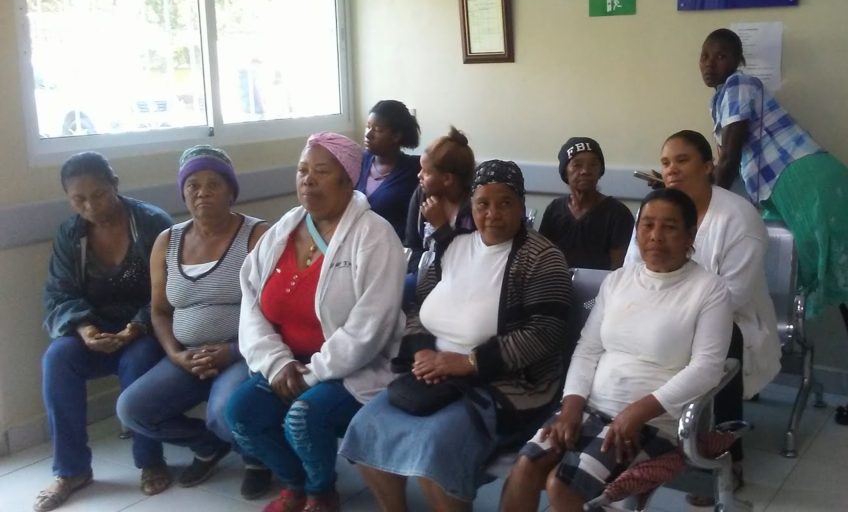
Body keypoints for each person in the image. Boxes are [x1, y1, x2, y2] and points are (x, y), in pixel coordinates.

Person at [340, 160, 573, 512]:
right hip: (436, 374)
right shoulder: (453, 247)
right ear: (471, 205)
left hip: (508, 383)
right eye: (483, 203)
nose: (492, 213)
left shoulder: (543, 259)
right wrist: (421, 351)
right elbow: (419, 307)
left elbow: (544, 334)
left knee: (433, 445)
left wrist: (469, 363)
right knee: (365, 426)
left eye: (505, 203)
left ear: (521, 206)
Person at [501, 188, 733, 512]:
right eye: (647, 225)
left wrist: (636, 412)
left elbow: (707, 368)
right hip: (590, 408)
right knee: (526, 467)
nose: (655, 236)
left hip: (654, 423)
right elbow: (588, 348)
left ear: (690, 235)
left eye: (669, 227)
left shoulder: (709, 290)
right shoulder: (618, 281)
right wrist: (571, 408)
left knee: (562, 485)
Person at [701, 27, 848, 425]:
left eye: (722, 55)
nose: (711, 64)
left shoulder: (740, 85)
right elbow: (724, 163)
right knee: (776, 280)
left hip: (815, 187)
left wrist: (703, 206)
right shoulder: (723, 98)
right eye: (705, 56)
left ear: (738, 61)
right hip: (795, 190)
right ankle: (758, 375)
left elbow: (728, 160)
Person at [224, 133, 406, 512]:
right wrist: (277, 364)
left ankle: (321, 492)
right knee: (240, 413)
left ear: (348, 180)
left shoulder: (374, 235)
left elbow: (370, 327)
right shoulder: (283, 230)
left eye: (321, 171)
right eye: (302, 170)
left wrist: (313, 374)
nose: (308, 179)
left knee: (302, 416)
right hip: (289, 364)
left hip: (355, 368)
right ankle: (296, 484)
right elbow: (251, 302)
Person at [624, 130, 781, 504]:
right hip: (662, 312)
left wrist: (672, 317)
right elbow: (633, 271)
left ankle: (727, 455)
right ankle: (644, 434)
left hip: (734, 320)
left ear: (708, 166)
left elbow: (733, 296)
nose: (672, 170)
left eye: (683, 160)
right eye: (665, 163)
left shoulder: (739, 219)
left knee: (723, 340)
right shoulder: (657, 211)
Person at [116, 146, 272, 498]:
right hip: (187, 355)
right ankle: (207, 445)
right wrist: (175, 354)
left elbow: (275, 310)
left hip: (242, 353)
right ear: (183, 193)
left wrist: (232, 351)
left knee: (223, 413)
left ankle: (256, 459)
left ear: (231, 191)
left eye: (213, 184)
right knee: (132, 410)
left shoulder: (257, 236)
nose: (202, 192)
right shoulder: (167, 241)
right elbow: (159, 310)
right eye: (193, 185)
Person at [35, 152, 172, 512]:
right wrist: (85, 328)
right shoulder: (70, 234)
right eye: (78, 199)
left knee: (137, 363)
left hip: (147, 326)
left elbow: (171, 289)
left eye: (98, 194)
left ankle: (150, 460)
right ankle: (72, 470)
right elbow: (59, 294)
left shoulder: (152, 223)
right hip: (94, 328)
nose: (90, 206)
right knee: (57, 359)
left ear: (115, 184)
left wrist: (135, 328)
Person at [402, 126, 476, 307]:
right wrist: (423, 275)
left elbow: (468, 259)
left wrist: (441, 227)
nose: (419, 175)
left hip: (464, 282)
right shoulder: (421, 195)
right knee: (394, 292)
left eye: (426, 172)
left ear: (447, 179)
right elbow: (412, 244)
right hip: (424, 275)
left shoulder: (473, 208)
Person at [539, 137, 634, 270]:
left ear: (600, 171)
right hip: (557, 280)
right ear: (565, 172)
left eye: (593, 165)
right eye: (577, 165)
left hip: (603, 283)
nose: (585, 171)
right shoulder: (554, 210)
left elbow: (619, 270)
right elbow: (543, 258)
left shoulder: (618, 213)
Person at [356, 99, 421, 242]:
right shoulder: (359, 160)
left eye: (377, 130)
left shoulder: (414, 169)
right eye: (368, 127)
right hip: (356, 244)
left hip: (392, 246)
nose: (368, 134)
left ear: (396, 136)